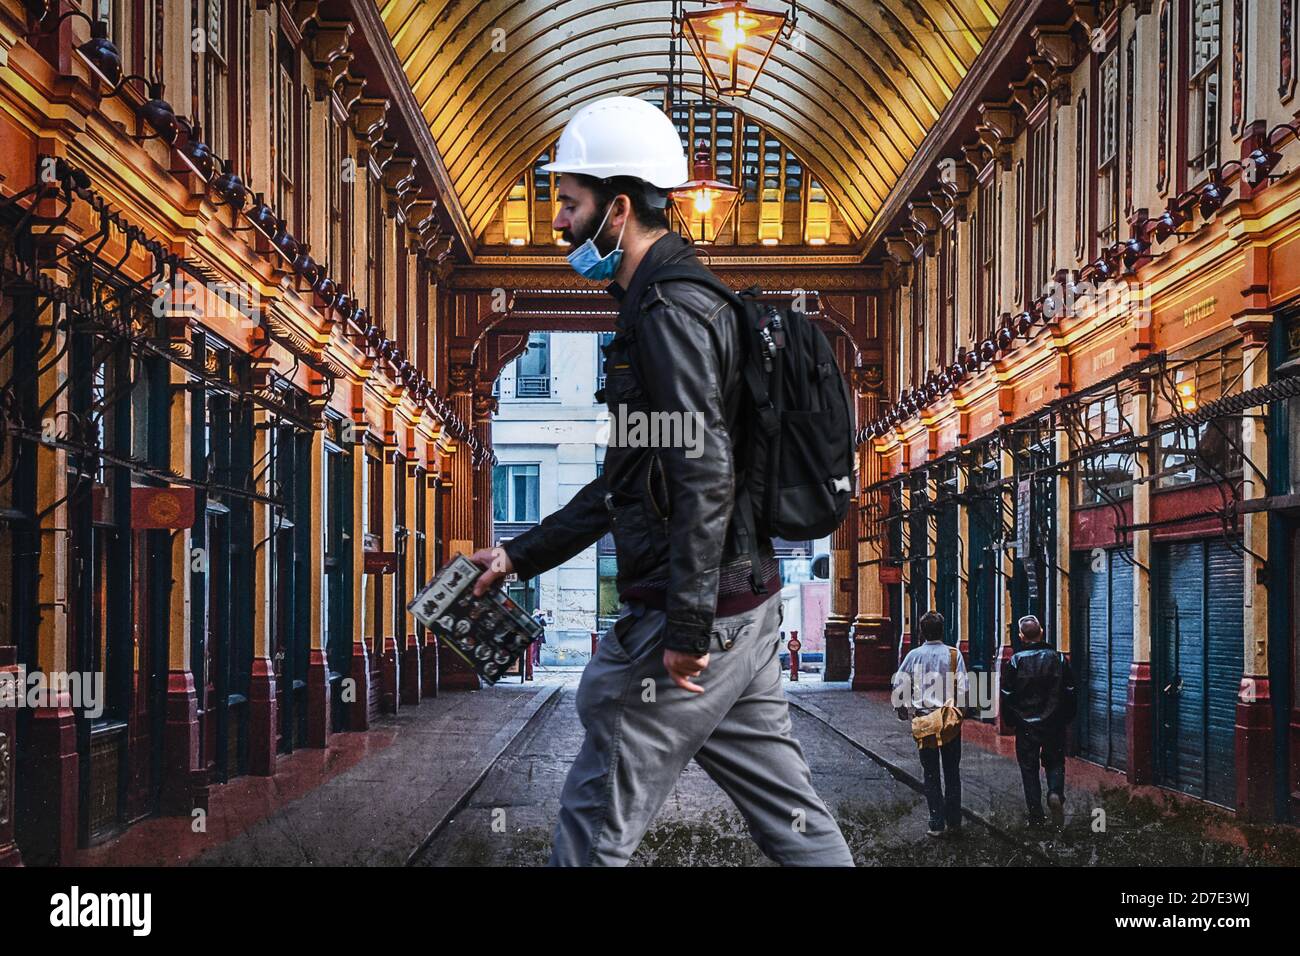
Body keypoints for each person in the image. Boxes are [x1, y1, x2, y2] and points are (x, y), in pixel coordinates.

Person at [469, 96, 853, 867]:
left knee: (595, 812)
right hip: (743, 608)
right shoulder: (664, 304)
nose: (558, 224)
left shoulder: (669, 313)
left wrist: (683, 632)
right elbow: (627, 477)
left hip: (701, 620)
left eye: (569, 204)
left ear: (618, 208)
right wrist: (519, 556)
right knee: (793, 819)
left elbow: (704, 470)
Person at [892, 611, 968, 839]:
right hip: (949, 721)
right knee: (952, 771)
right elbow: (964, 688)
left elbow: (899, 683)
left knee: (931, 773)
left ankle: (936, 823)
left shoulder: (914, 655)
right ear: (943, 630)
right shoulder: (954, 655)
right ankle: (954, 822)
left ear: (921, 632)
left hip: (925, 720)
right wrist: (960, 714)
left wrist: (901, 709)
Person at [1000, 614, 1077, 829]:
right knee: (1055, 762)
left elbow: (1007, 694)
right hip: (1054, 723)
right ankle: (1054, 793)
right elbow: (1070, 691)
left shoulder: (1016, 661)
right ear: (1041, 632)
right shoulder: (1059, 659)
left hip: (1026, 726)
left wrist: (1012, 721)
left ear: (1021, 636)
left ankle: (1036, 816)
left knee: (1029, 768)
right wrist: (1065, 718)